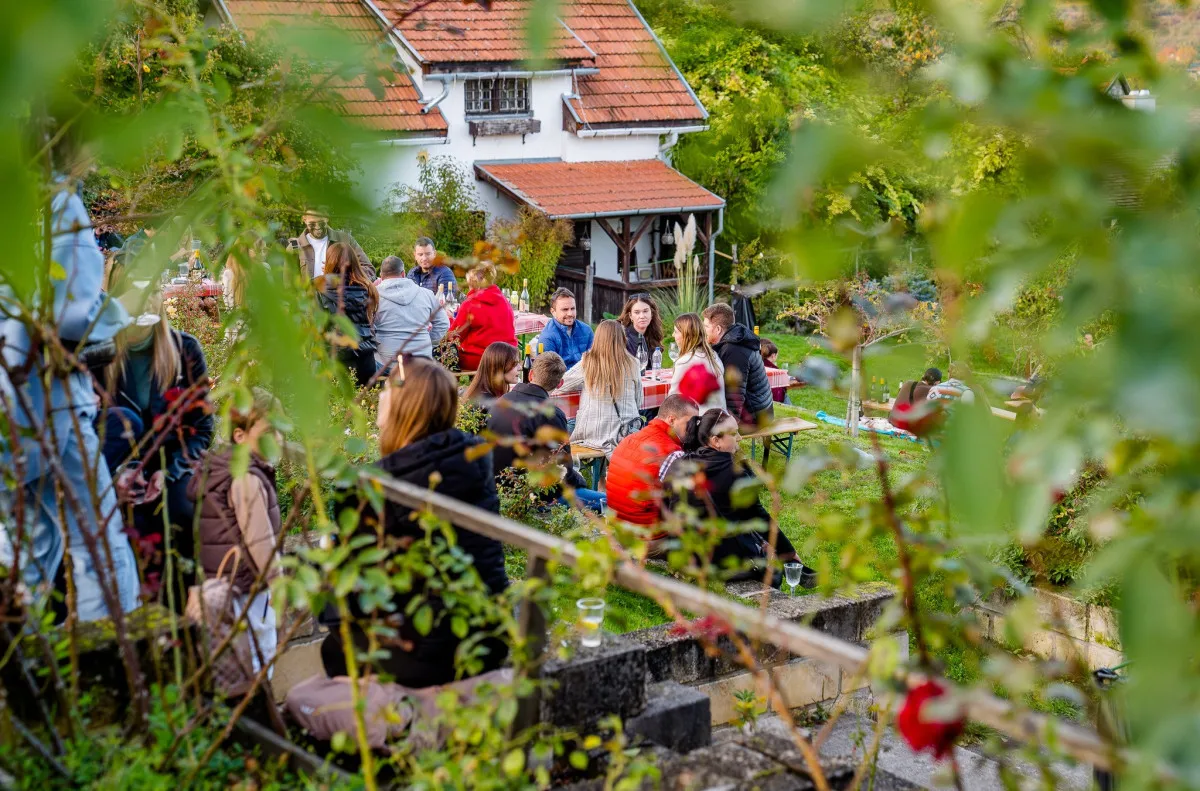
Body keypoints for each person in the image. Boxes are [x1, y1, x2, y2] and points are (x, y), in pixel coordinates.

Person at [320, 358, 509, 687]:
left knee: (333, 649)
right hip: (487, 636)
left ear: (402, 406)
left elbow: (356, 594)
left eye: (387, 390)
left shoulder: (370, 488)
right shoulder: (474, 460)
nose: (379, 397)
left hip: (427, 653)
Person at [1, 179, 140, 621]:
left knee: (27, 550)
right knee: (99, 547)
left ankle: (22, 664)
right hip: (47, 400)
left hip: (13, 410)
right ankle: (112, 662)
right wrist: (115, 313)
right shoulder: (57, 200)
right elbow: (72, 315)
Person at [101, 287, 214, 600]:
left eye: (151, 289)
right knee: (125, 527)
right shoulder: (100, 354)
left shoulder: (184, 349)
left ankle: (184, 612)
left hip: (174, 464)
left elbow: (203, 426)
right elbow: (88, 432)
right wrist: (119, 473)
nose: (144, 298)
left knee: (180, 509)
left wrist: (173, 471)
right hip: (120, 474)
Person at [188, 388, 283, 676]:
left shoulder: (220, 471)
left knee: (236, 664)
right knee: (259, 663)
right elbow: (259, 543)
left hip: (226, 588)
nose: (278, 439)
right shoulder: (245, 479)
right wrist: (279, 586)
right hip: (249, 591)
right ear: (240, 436)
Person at [670, 408, 803, 573]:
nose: (739, 438)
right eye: (733, 434)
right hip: (723, 562)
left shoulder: (679, 464)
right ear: (715, 441)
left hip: (684, 554)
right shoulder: (735, 473)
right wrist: (788, 552)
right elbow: (760, 518)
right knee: (773, 571)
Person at [486, 352, 606, 512]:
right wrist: (580, 480)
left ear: (531, 374)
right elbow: (563, 471)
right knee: (612, 503)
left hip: (498, 489)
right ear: (560, 383)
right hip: (536, 497)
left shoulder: (502, 401)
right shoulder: (551, 414)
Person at [606, 394, 699, 541]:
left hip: (619, 528)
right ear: (671, 420)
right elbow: (688, 500)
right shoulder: (671, 452)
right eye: (690, 423)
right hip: (648, 536)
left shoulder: (628, 439)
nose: (693, 429)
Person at [559, 320, 644, 456]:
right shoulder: (633, 363)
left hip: (594, 433)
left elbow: (560, 384)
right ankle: (602, 476)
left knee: (569, 422)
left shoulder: (588, 362)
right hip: (626, 433)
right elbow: (639, 402)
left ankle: (596, 475)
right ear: (622, 339)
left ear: (597, 339)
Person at [315, 242, 380, 387]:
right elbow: (370, 322)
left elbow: (320, 328)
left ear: (329, 261)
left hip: (338, 359)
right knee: (363, 405)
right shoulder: (368, 287)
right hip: (366, 357)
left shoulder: (321, 289)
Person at [702, 302, 773, 426]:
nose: (703, 330)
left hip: (756, 417)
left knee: (702, 423)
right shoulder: (735, 339)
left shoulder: (734, 350)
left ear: (718, 329)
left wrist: (730, 427)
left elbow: (734, 394)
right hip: (762, 410)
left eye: (706, 327)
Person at [373, 254, 448, 367]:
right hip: (422, 359)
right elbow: (443, 323)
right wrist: (428, 342)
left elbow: (366, 328)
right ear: (403, 273)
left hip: (388, 362)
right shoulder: (426, 294)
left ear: (381, 276)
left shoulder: (373, 297)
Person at [447, 262, 517, 372]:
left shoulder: (470, 304)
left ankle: (452, 387)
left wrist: (450, 319)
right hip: (507, 356)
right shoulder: (504, 301)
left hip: (481, 360)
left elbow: (454, 337)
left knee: (442, 353)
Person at [293, 207, 375, 280]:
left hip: (341, 296)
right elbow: (289, 285)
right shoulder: (295, 245)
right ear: (304, 219)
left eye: (321, 223)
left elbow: (370, 271)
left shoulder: (345, 239)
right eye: (312, 224)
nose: (317, 227)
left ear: (327, 218)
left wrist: (344, 272)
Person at [668, 313, 725, 411]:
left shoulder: (684, 362)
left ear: (687, 335)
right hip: (721, 418)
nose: (673, 335)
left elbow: (673, 400)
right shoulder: (713, 355)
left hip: (700, 422)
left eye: (676, 332)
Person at [537, 288, 593, 368]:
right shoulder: (547, 337)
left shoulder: (587, 330)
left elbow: (595, 360)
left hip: (587, 376)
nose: (570, 313)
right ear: (553, 312)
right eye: (565, 309)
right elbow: (547, 372)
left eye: (573, 308)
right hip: (560, 378)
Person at [618, 294, 663, 369]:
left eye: (645, 311)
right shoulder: (622, 336)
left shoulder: (653, 334)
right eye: (637, 312)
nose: (642, 316)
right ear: (630, 316)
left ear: (651, 313)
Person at [759, 338, 789, 405]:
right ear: (773, 355)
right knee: (786, 396)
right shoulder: (775, 372)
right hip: (771, 404)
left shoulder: (756, 365)